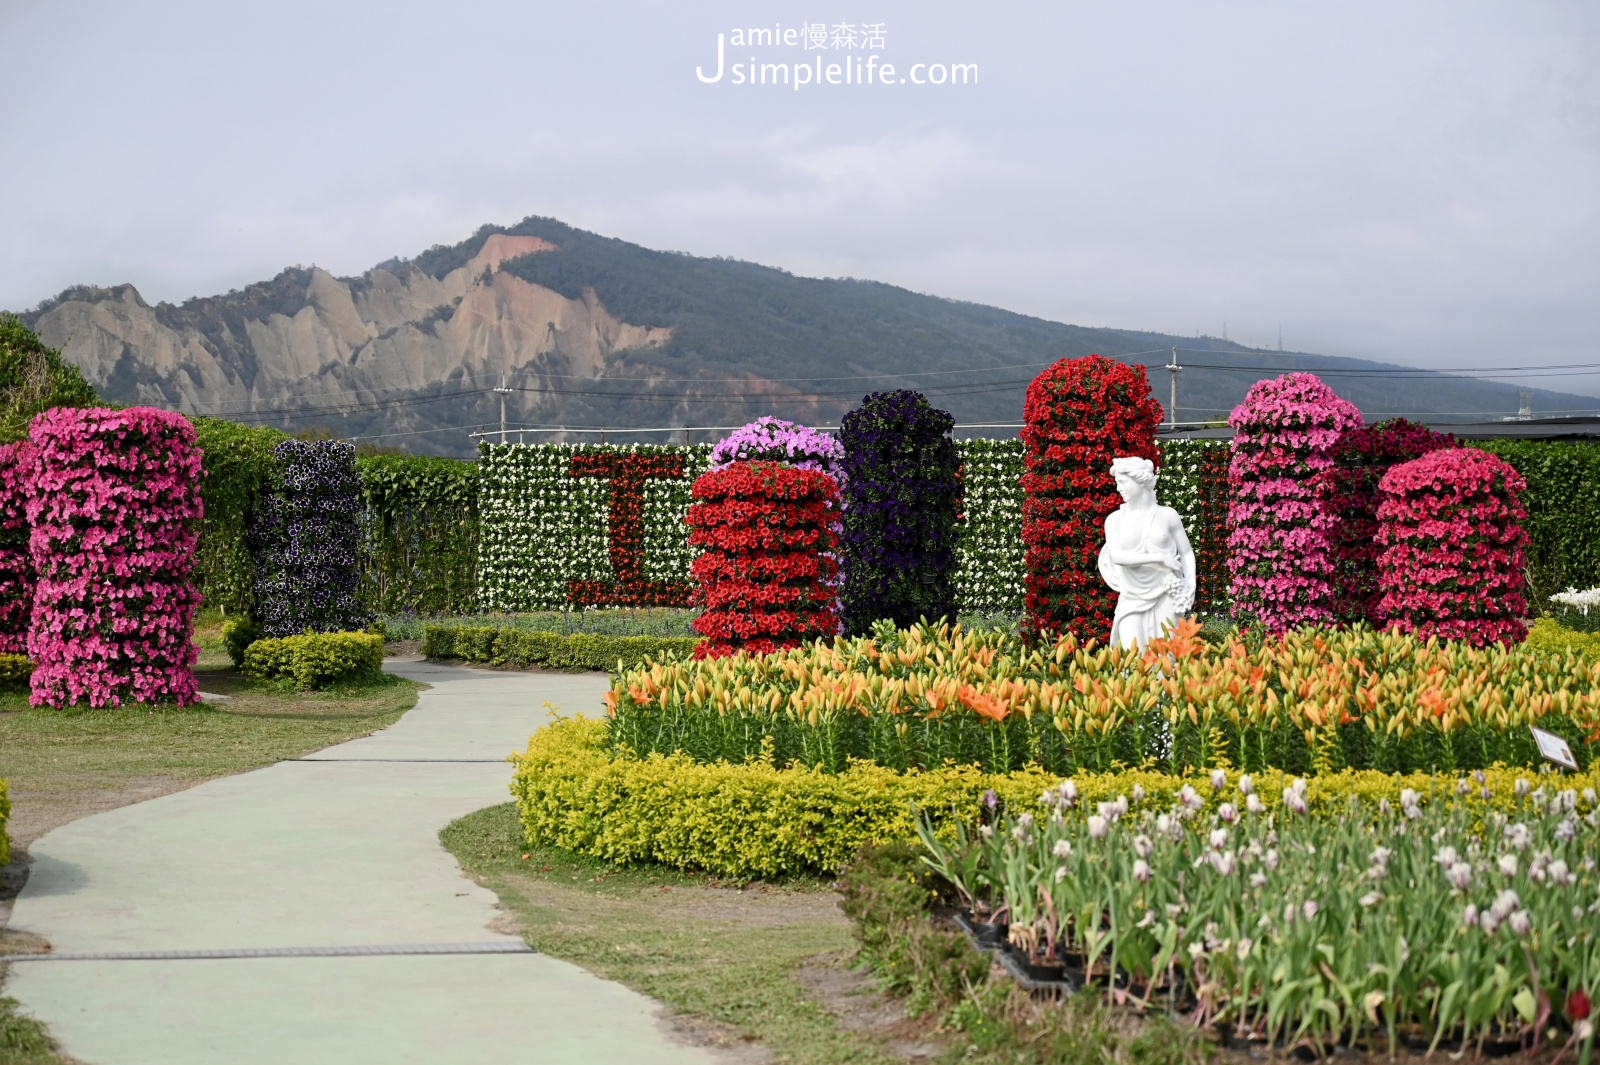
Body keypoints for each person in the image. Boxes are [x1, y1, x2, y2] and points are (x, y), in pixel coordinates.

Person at [1097, 456, 1196, 648]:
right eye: (1117, 483)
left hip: (1167, 591)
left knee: (1166, 654)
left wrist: (1190, 584)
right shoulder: (1115, 520)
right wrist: (1161, 559)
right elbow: (1117, 557)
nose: (1119, 488)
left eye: (1123, 482)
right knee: (1131, 654)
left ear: (1140, 480)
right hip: (1131, 595)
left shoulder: (1168, 515)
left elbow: (1186, 553)